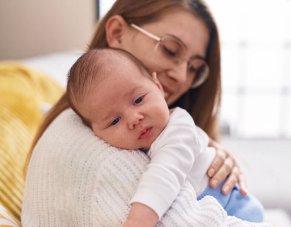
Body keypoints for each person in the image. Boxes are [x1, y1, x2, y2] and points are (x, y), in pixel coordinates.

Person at [22, 0, 262, 226]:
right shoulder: (89, 146)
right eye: (169, 50)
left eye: (194, 68)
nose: (181, 77)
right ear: (117, 33)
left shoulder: (159, 126)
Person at [66, 48, 264, 225]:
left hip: (233, 206)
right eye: (114, 121)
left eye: (138, 99)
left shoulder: (178, 126)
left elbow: (165, 174)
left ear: (158, 87)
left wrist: (138, 221)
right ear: (94, 134)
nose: (134, 118)